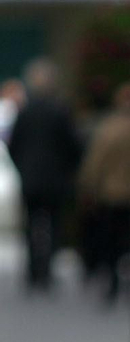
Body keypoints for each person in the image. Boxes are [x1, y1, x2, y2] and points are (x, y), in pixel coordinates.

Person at [7, 59, 82, 294]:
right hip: (54, 179)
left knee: (31, 224)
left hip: (31, 178)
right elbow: (73, 145)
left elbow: (14, 144)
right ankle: (45, 269)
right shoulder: (60, 111)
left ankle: (33, 270)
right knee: (53, 224)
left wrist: (22, 167)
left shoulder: (25, 112)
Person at [78, 82, 130, 305]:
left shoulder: (109, 128)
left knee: (113, 241)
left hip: (112, 194)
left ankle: (114, 282)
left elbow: (95, 162)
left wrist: (89, 187)